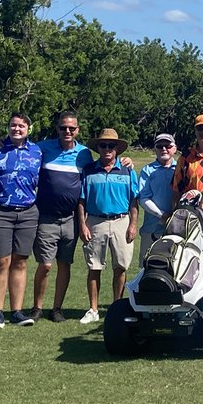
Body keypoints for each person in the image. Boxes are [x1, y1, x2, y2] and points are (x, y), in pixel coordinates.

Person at [0, 112, 43, 328]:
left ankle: (16, 311)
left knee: (20, 261)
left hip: (26, 213)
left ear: (29, 128)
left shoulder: (37, 151)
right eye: (13, 125)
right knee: (0, 262)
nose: (17, 129)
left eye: (21, 126)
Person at [30, 112, 93, 323]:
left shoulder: (84, 154)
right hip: (46, 217)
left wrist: (125, 159)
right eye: (63, 128)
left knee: (64, 264)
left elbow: (104, 164)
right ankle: (37, 307)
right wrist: (1, 141)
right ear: (57, 128)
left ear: (78, 130)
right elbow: (20, 146)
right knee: (45, 265)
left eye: (71, 128)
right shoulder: (43, 148)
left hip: (71, 219)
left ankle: (57, 308)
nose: (67, 131)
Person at [76, 129, 139, 324]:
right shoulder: (89, 170)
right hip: (95, 221)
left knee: (120, 267)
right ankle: (93, 309)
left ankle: (116, 307)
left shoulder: (128, 170)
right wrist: (82, 225)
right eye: (103, 145)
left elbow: (134, 201)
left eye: (111, 145)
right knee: (94, 267)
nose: (107, 149)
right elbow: (81, 201)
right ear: (98, 148)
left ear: (117, 149)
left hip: (122, 221)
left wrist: (133, 225)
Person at [137, 133, 178, 266]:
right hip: (152, 228)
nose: (164, 149)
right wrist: (162, 215)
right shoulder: (147, 170)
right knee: (147, 268)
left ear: (175, 148)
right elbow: (143, 198)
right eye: (160, 146)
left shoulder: (181, 169)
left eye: (168, 145)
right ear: (155, 149)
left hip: (177, 228)